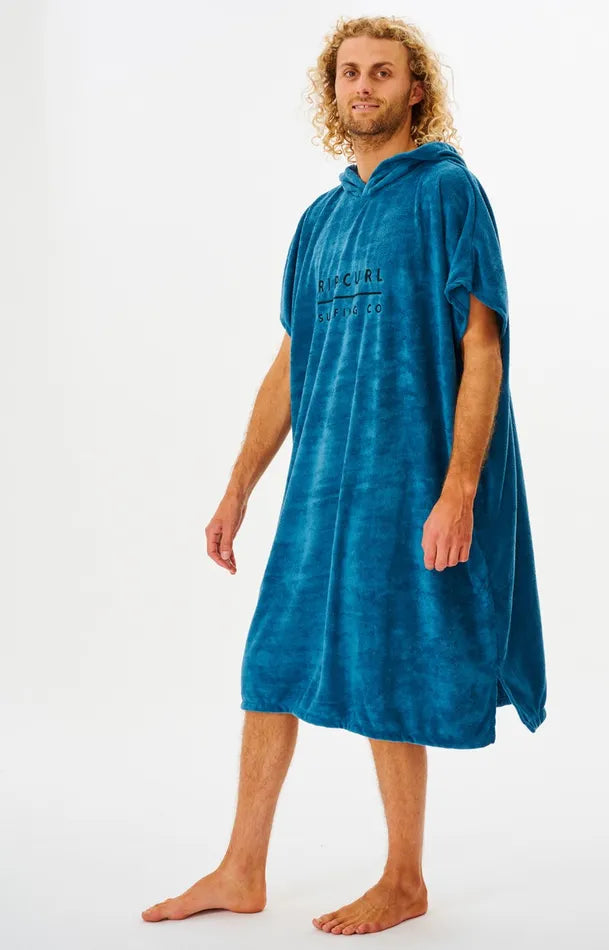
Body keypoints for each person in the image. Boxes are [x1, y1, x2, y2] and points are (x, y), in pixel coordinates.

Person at [142, 14, 547, 936]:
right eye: (349, 72)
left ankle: (405, 880)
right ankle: (242, 869)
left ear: (415, 89)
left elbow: (482, 348)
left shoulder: (448, 194)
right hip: (322, 484)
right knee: (270, 664)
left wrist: (459, 487)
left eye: (383, 72)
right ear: (333, 90)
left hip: (408, 481)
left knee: (389, 661)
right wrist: (238, 487)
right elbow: (292, 361)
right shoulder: (319, 222)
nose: (363, 86)